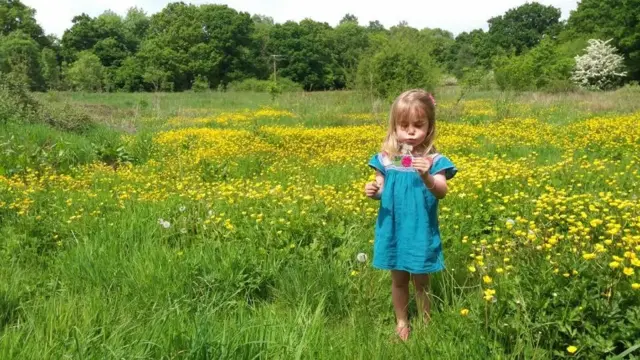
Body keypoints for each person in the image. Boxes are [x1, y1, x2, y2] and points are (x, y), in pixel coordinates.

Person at [364, 89, 458, 341]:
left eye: (418, 125)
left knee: (421, 282)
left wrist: (426, 176)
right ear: (394, 126)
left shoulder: (434, 160)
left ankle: (427, 323)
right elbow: (381, 189)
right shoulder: (387, 159)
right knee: (398, 281)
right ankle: (402, 323)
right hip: (393, 229)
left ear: (430, 126)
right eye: (403, 125)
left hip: (419, 230)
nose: (410, 131)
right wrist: (372, 190)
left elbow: (441, 191)